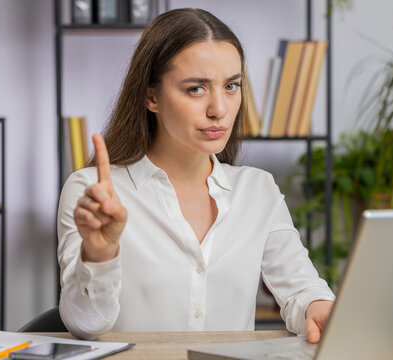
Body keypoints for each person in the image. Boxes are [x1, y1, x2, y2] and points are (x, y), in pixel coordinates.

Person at [57, 8, 335, 341]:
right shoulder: (93, 192)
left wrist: (318, 307)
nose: (219, 109)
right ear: (151, 96)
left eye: (231, 86)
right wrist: (100, 254)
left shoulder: (257, 190)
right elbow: (83, 324)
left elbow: (301, 289)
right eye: (196, 89)